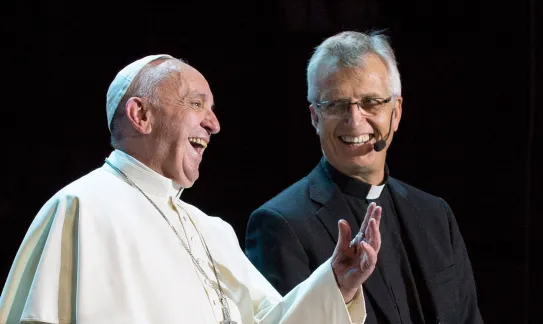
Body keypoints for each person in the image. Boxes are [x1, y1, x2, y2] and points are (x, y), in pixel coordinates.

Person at [0, 54, 383, 324]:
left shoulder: (211, 230)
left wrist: (334, 283)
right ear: (141, 115)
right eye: (197, 104)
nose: (214, 124)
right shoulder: (82, 207)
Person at [245, 31, 484, 324]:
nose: (355, 119)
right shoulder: (279, 224)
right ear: (315, 117)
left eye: (371, 102)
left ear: (395, 112)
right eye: (335, 104)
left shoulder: (436, 215)